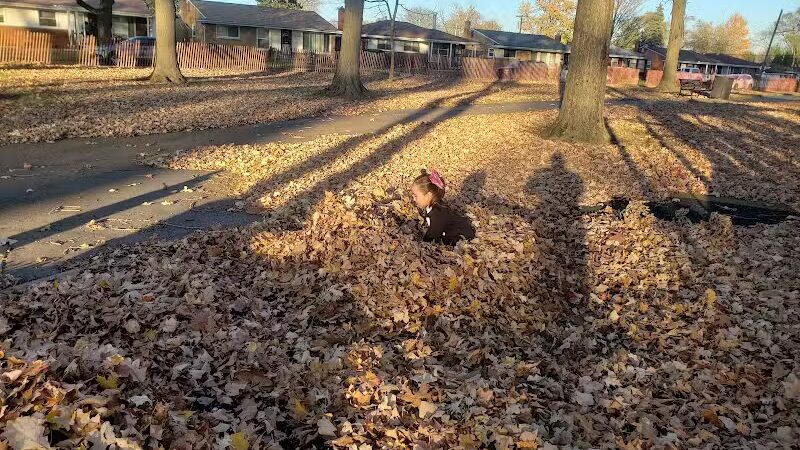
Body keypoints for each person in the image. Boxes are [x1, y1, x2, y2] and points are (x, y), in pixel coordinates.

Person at [410, 169, 475, 245]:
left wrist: (421, 244)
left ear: (428, 196)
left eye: (415, 196)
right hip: (451, 230)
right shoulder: (433, 205)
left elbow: (432, 236)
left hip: (461, 235)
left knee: (449, 242)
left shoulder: (438, 213)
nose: (413, 198)